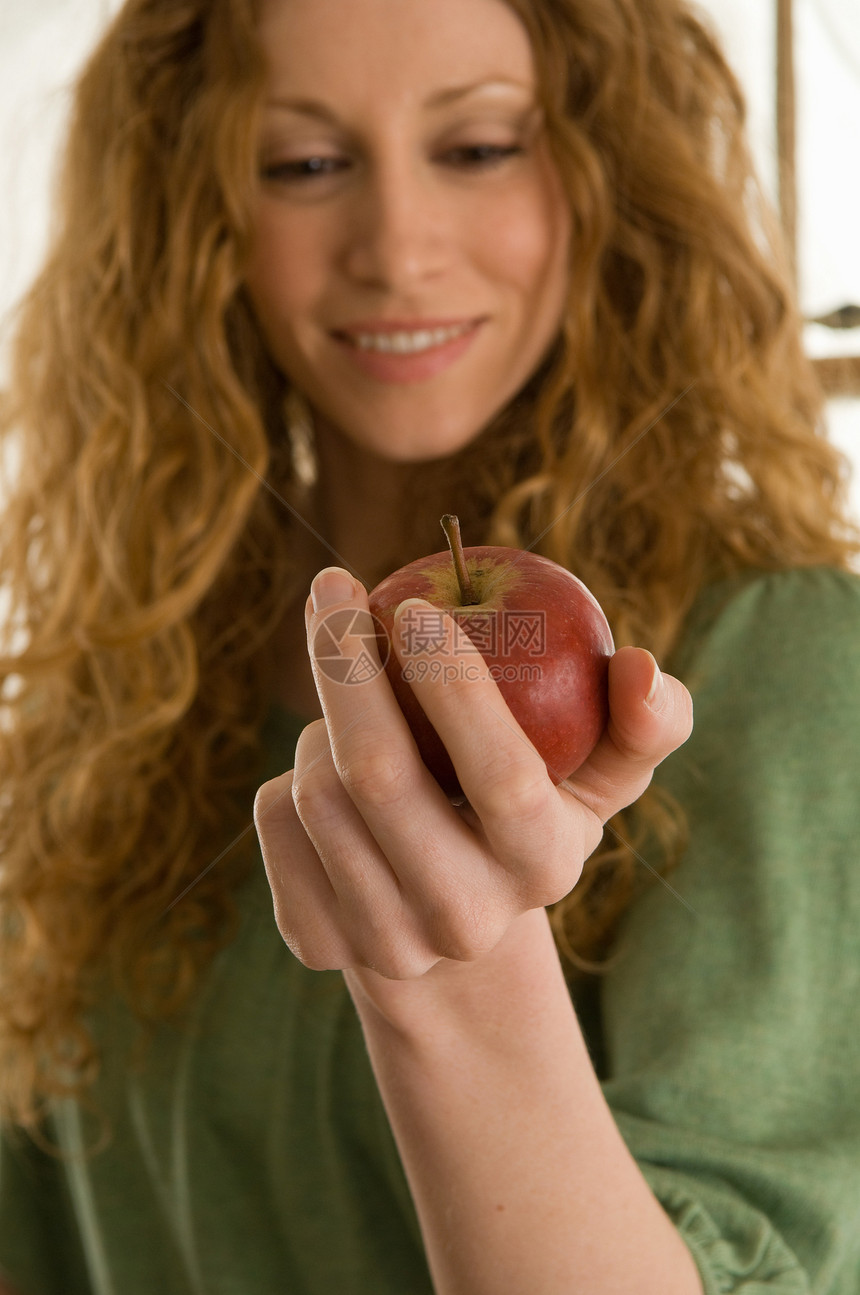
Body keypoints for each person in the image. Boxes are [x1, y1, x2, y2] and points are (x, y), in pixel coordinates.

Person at [1, 0, 859, 1290]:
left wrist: (458, 984)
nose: (397, 250)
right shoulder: (116, 714)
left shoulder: (779, 662)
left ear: (602, 174)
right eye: (303, 165)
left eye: (478, 149)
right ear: (195, 216)